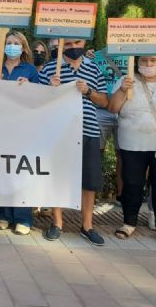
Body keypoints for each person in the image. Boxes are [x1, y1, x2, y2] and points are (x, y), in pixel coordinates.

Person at [39, 38, 108, 245]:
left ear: (84, 42)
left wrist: (88, 91)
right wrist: (51, 90)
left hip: (88, 131)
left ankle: (87, 226)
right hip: (59, 132)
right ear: (60, 47)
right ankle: (57, 223)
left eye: (77, 43)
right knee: (57, 177)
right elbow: (38, 102)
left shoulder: (93, 69)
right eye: (67, 44)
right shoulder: (50, 69)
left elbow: (104, 101)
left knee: (89, 181)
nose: (73, 48)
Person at [108, 49, 156, 248]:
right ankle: (129, 223)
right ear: (137, 62)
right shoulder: (126, 80)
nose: (149, 63)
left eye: (153, 60)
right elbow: (113, 108)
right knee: (133, 183)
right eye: (144, 60)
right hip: (132, 142)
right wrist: (122, 90)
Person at [0, 31, 39, 235]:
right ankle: (4, 215)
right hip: (0, 127)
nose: (12, 46)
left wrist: (29, 87)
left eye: (16, 43)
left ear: (24, 47)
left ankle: (23, 218)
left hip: (22, 128)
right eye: (8, 43)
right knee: (3, 171)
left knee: (21, 172)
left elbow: (40, 97)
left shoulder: (30, 70)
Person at [88, 46, 129, 202]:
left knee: (124, 154)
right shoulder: (96, 56)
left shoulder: (134, 54)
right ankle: (92, 193)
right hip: (100, 110)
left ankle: (121, 195)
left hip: (125, 110)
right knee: (95, 153)